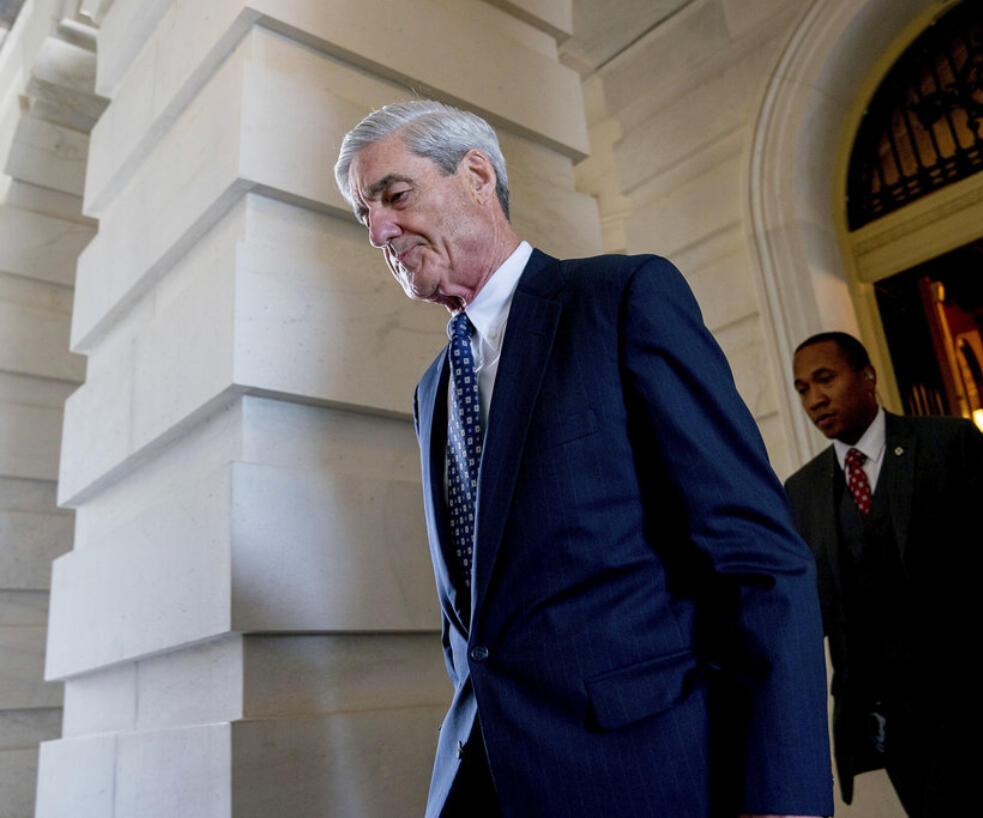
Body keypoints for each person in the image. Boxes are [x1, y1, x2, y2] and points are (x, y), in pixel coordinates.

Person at [333, 100, 833, 818]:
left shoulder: (622, 300)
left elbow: (761, 563)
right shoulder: (432, 390)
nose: (378, 230)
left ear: (476, 175)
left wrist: (783, 798)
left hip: (647, 777)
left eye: (395, 196)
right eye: (364, 215)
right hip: (489, 781)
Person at [782, 331, 983, 817]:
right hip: (897, 728)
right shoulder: (802, 492)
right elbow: (814, 613)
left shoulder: (949, 444)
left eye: (825, 379)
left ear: (867, 377)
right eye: (802, 389)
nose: (815, 399)